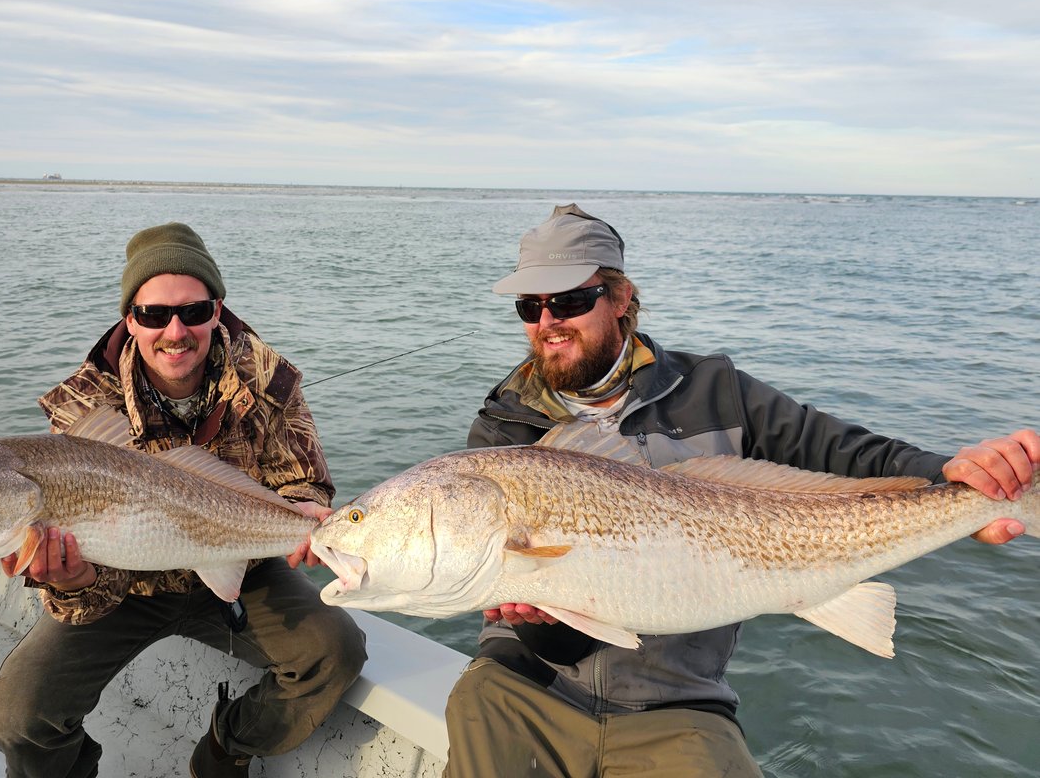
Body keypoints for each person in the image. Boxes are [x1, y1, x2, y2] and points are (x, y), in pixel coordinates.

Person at [444, 203, 1039, 778]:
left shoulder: (717, 390)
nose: (548, 322)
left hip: (676, 699)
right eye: (531, 305)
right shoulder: (503, 429)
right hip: (526, 683)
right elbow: (544, 623)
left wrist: (964, 480)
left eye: (571, 300)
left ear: (622, 299)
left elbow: (853, 454)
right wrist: (533, 622)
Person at [0, 222, 367, 778]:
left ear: (216, 311)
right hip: (125, 582)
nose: (175, 330)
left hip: (245, 563)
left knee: (336, 652)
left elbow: (302, 481)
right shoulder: (85, 408)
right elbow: (94, 573)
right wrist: (72, 581)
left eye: (194, 310)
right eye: (154, 314)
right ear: (130, 319)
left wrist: (305, 509)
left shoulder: (269, 380)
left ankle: (227, 742)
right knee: (19, 716)